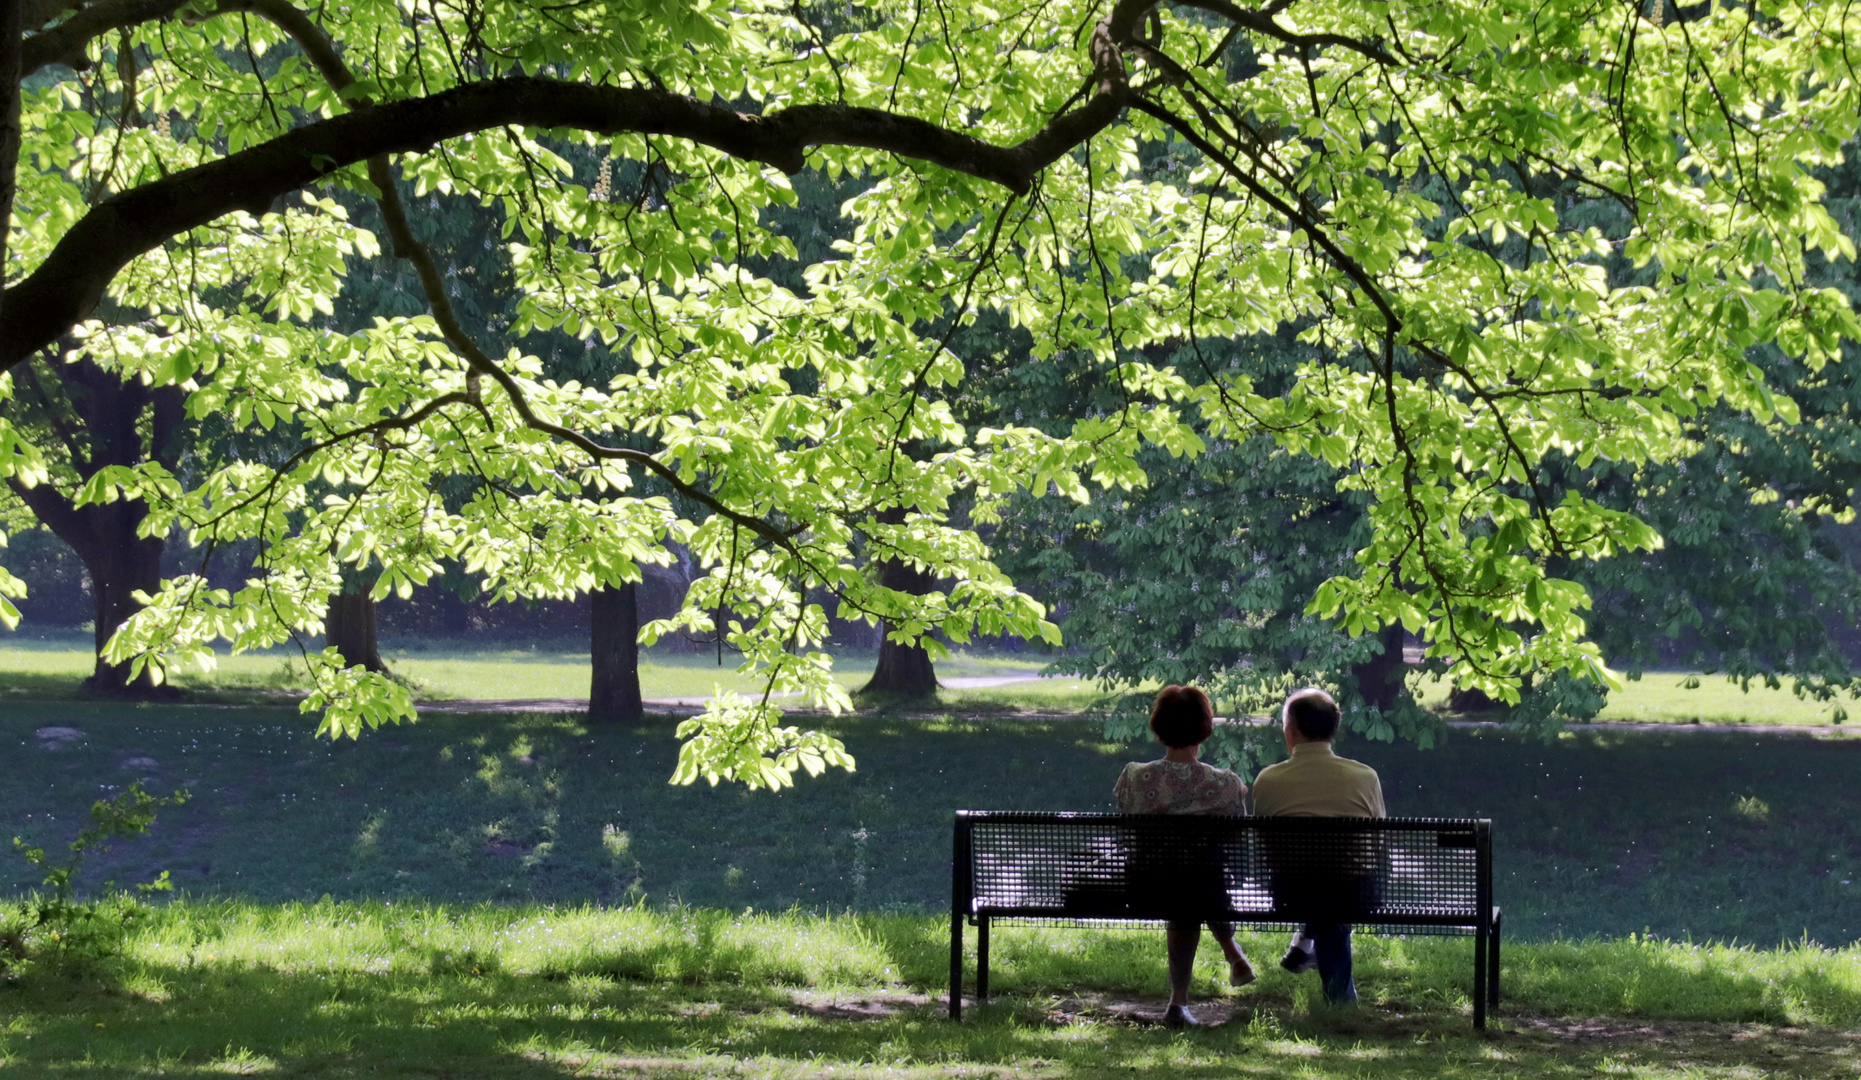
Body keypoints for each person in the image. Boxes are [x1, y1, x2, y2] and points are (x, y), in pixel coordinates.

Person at [1112, 684, 1256, 1028]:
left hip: (1145, 887)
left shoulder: (1134, 776)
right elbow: (1237, 840)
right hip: (1205, 889)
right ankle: (1222, 959)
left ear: (1159, 727)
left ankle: (1182, 999)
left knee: (1184, 881)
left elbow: (1126, 822)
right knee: (1197, 877)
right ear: (1204, 728)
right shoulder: (1224, 782)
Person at [1249, 687, 1386, 1007]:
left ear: (1291, 730)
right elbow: (1379, 842)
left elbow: (1263, 845)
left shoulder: (1267, 780)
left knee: (1317, 885)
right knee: (1335, 890)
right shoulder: (1364, 777)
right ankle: (1339, 997)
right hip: (1352, 894)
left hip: (1289, 894)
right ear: (1333, 731)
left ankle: (1307, 948)